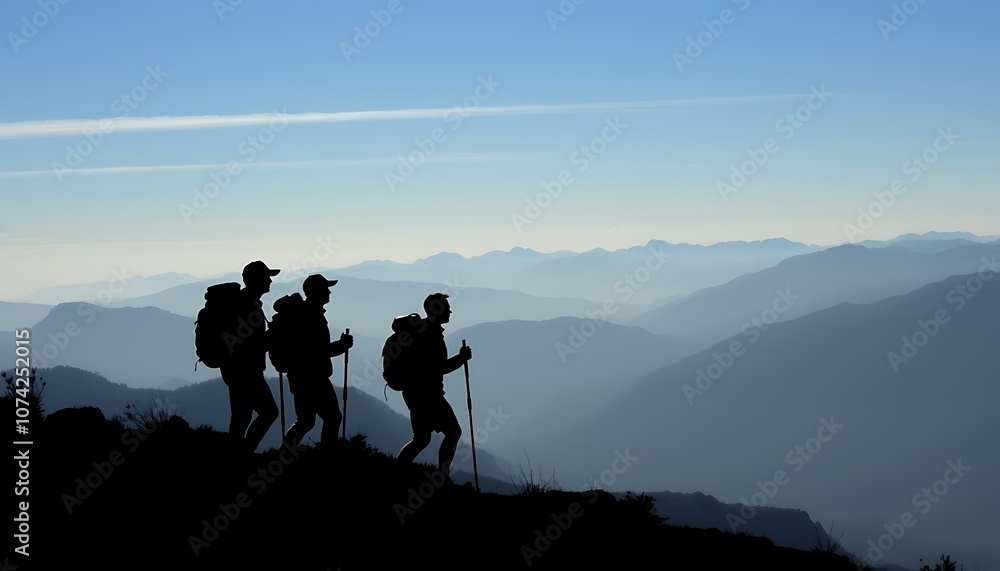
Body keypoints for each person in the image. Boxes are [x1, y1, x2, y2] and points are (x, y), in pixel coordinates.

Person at [397, 292, 472, 478]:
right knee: (453, 432)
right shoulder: (431, 335)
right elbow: (439, 368)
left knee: (421, 439)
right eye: (446, 307)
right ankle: (442, 476)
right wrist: (461, 358)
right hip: (429, 395)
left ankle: (397, 470)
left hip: (414, 393)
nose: (450, 311)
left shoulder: (424, 331)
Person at [283, 274, 353, 448]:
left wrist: (340, 345)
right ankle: (327, 456)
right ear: (315, 291)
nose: (329, 292)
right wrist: (342, 345)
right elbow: (317, 351)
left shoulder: (307, 313)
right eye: (325, 289)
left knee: (306, 421)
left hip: (300, 376)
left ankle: (282, 455)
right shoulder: (311, 316)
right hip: (313, 378)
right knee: (332, 417)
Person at [221, 260, 280, 452]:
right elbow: (249, 345)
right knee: (269, 412)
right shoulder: (248, 306)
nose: (270, 281)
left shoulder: (244, 302)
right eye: (266, 277)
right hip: (246, 371)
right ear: (256, 279)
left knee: (241, 416)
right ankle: (244, 453)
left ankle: (235, 455)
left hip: (234, 369)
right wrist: (272, 336)